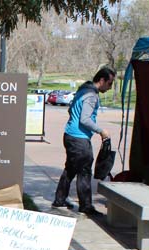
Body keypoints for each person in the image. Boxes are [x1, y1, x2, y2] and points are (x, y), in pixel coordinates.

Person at [52, 66, 116, 217]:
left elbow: (71, 110)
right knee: (85, 171)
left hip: (69, 135)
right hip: (79, 139)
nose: (110, 87)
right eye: (110, 83)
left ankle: (59, 199)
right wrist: (101, 131)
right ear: (102, 80)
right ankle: (86, 206)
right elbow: (85, 119)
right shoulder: (91, 95)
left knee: (71, 168)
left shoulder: (82, 90)